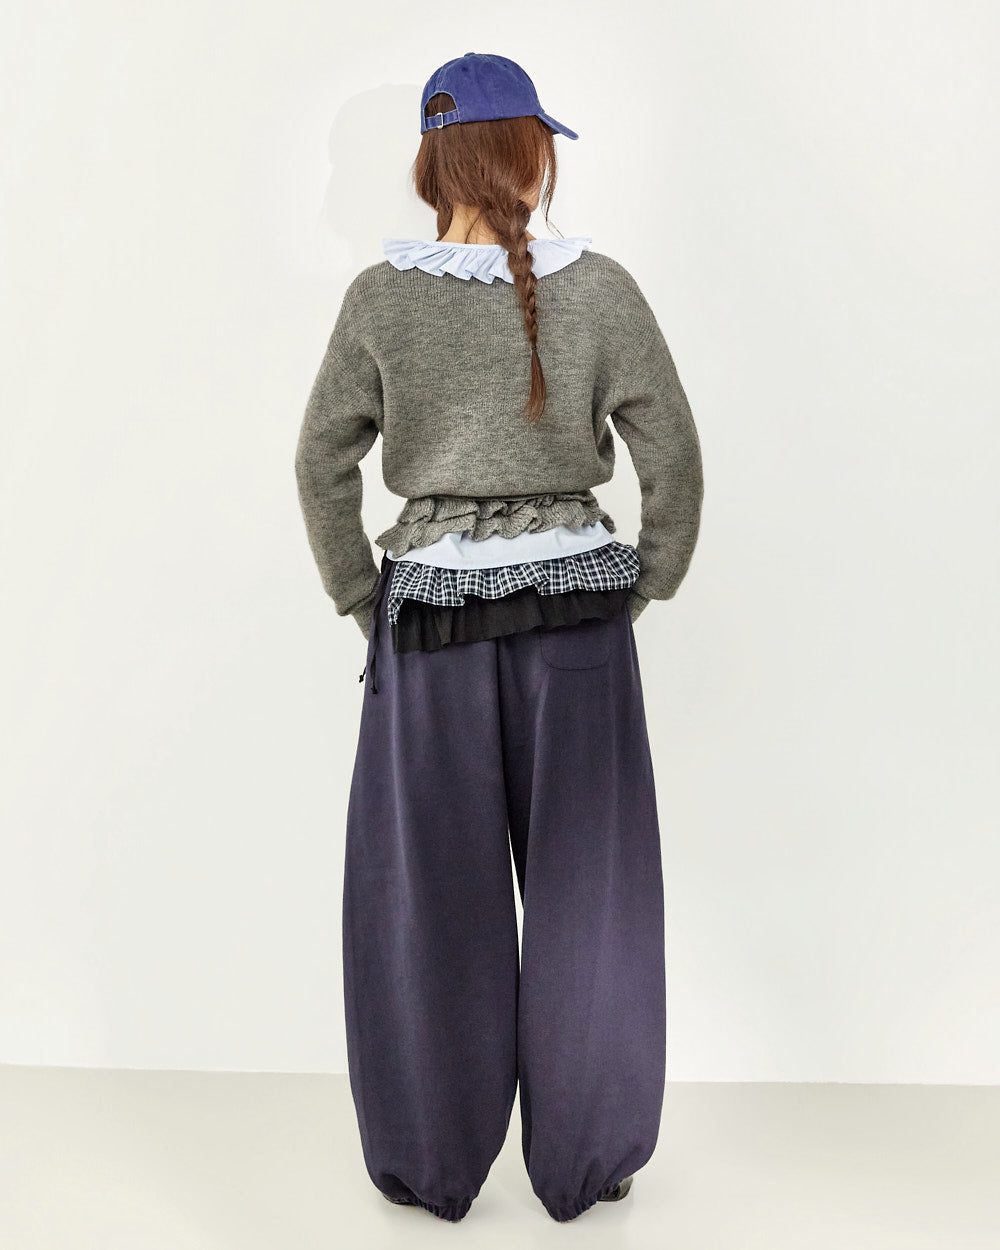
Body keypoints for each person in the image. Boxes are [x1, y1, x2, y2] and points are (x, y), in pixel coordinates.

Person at [294, 51, 704, 1224]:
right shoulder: (603, 288)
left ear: (433, 163)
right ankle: (589, 1158)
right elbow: (672, 452)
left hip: (427, 627)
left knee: (430, 897)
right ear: (530, 155)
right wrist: (640, 582)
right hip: (577, 622)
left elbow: (319, 461)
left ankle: (430, 1162)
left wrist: (362, 596)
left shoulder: (380, 297)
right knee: (591, 896)